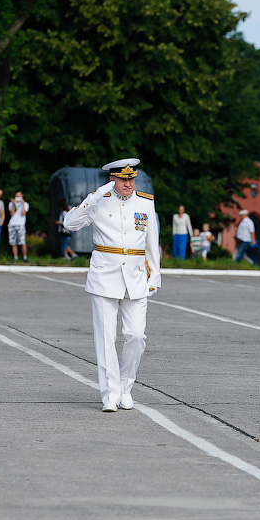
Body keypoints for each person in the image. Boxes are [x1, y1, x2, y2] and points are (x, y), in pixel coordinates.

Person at [63, 157, 161, 412]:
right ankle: (110, 394)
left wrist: (155, 276)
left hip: (137, 276)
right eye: (122, 178)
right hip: (105, 276)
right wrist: (91, 199)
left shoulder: (145, 203)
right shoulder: (98, 202)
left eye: (131, 178)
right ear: (112, 179)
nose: (128, 183)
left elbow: (152, 242)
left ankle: (126, 387)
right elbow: (69, 223)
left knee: (136, 335)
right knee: (106, 338)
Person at [8, 191, 30, 262]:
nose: (17, 197)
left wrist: (23, 204)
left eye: (19, 196)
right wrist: (14, 204)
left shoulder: (26, 204)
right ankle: (15, 258)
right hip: (12, 224)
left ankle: (25, 257)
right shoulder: (11, 203)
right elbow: (11, 213)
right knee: (13, 242)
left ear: (22, 196)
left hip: (21, 225)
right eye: (16, 196)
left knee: (22, 242)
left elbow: (23, 213)